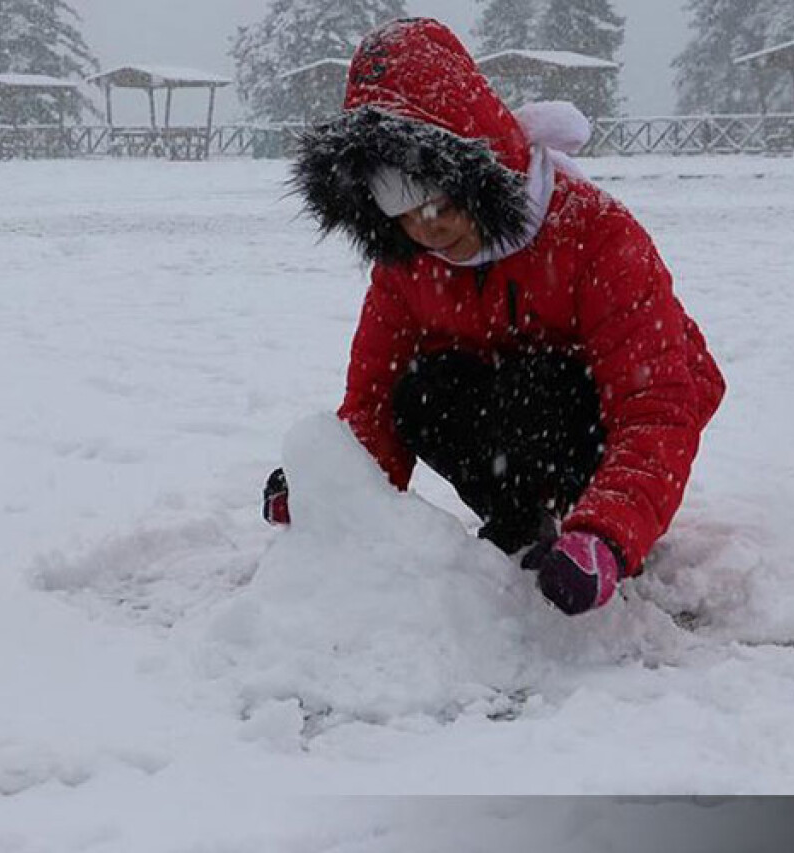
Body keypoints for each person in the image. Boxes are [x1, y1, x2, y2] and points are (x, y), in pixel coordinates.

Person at [263, 18, 725, 615]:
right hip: (507, 405)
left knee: (546, 386)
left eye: (440, 196)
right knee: (422, 392)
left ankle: (592, 522)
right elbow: (373, 403)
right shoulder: (406, 269)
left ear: (475, 174)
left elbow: (655, 406)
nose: (426, 224)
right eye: (396, 199)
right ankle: (519, 519)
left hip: (611, 410)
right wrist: (330, 492)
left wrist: (609, 531)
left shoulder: (596, 235)